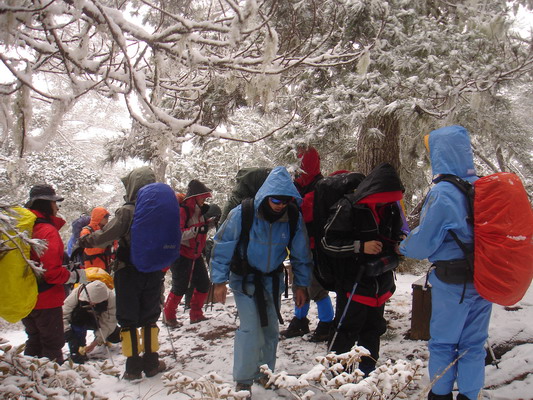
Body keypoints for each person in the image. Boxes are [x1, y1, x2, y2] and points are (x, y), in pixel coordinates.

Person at [400, 126, 492, 400]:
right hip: (485, 277)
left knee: (443, 344)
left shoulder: (443, 193)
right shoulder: (483, 187)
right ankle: (469, 395)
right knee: (473, 345)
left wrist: (404, 244)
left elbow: (424, 244)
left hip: (453, 282)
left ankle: (439, 395)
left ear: (439, 154)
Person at [210, 166, 313, 396]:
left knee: (269, 329)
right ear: (266, 195)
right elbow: (222, 246)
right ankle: (244, 380)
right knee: (250, 329)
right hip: (244, 279)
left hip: (272, 280)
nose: (280, 204)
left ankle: (265, 373)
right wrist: (218, 281)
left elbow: (301, 253)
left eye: (286, 200)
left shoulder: (292, 217)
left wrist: (301, 285)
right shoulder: (243, 214)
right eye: (276, 199)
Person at [77, 166, 166, 380]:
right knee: (149, 317)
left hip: (129, 271)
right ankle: (152, 363)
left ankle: (133, 368)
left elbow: (107, 235)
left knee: (129, 320)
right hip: (154, 271)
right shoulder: (162, 209)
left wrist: (85, 240)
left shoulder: (127, 211)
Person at [321, 163, 404, 376]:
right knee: (345, 331)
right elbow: (327, 243)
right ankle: (338, 375)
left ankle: (367, 373)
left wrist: (398, 244)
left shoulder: (391, 208)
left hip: (380, 283)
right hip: (353, 284)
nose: (387, 200)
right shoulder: (348, 206)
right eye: (385, 196)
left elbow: (394, 234)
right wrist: (359, 246)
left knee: (373, 330)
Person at [22, 184, 88, 364]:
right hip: (46, 299)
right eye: (54, 202)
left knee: (34, 340)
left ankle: (30, 384)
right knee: (52, 344)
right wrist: (74, 276)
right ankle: (53, 385)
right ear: (46, 204)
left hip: (27, 296)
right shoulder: (46, 231)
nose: (57, 207)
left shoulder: (26, 228)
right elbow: (51, 273)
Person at [281, 147, 335, 342]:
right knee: (300, 284)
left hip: (314, 245)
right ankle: (300, 320)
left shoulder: (320, 187)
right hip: (299, 246)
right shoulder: (299, 186)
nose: (299, 171)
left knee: (316, 288)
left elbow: (307, 212)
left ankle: (326, 324)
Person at [163, 180, 216, 326]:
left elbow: (200, 227)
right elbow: (176, 234)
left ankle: (196, 314)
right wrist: (197, 230)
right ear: (195, 197)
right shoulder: (183, 211)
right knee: (180, 286)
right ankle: (169, 316)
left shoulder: (199, 211)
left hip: (195, 253)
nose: (205, 200)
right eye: (203, 197)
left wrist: (210, 223)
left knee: (204, 284)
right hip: (181, 254)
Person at [63, 280, 120, 363]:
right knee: (77, 321)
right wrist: (67, 332)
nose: (92, 305)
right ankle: (77, 349)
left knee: (114, 336)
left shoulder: (111, 300)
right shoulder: (77, 293)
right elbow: (63, 313)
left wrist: (96, 342)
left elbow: (108, 323)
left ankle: (109, 337)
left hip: (99, 320)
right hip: (80, 318)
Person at [80, 207, 115, 272]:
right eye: (106, 217)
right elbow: (89, 251)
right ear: (99, 217)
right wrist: (105, 247)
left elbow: (113, 244)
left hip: (106, 266)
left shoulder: (105, 230)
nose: (107, 219)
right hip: (92, 269)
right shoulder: (86, 231)